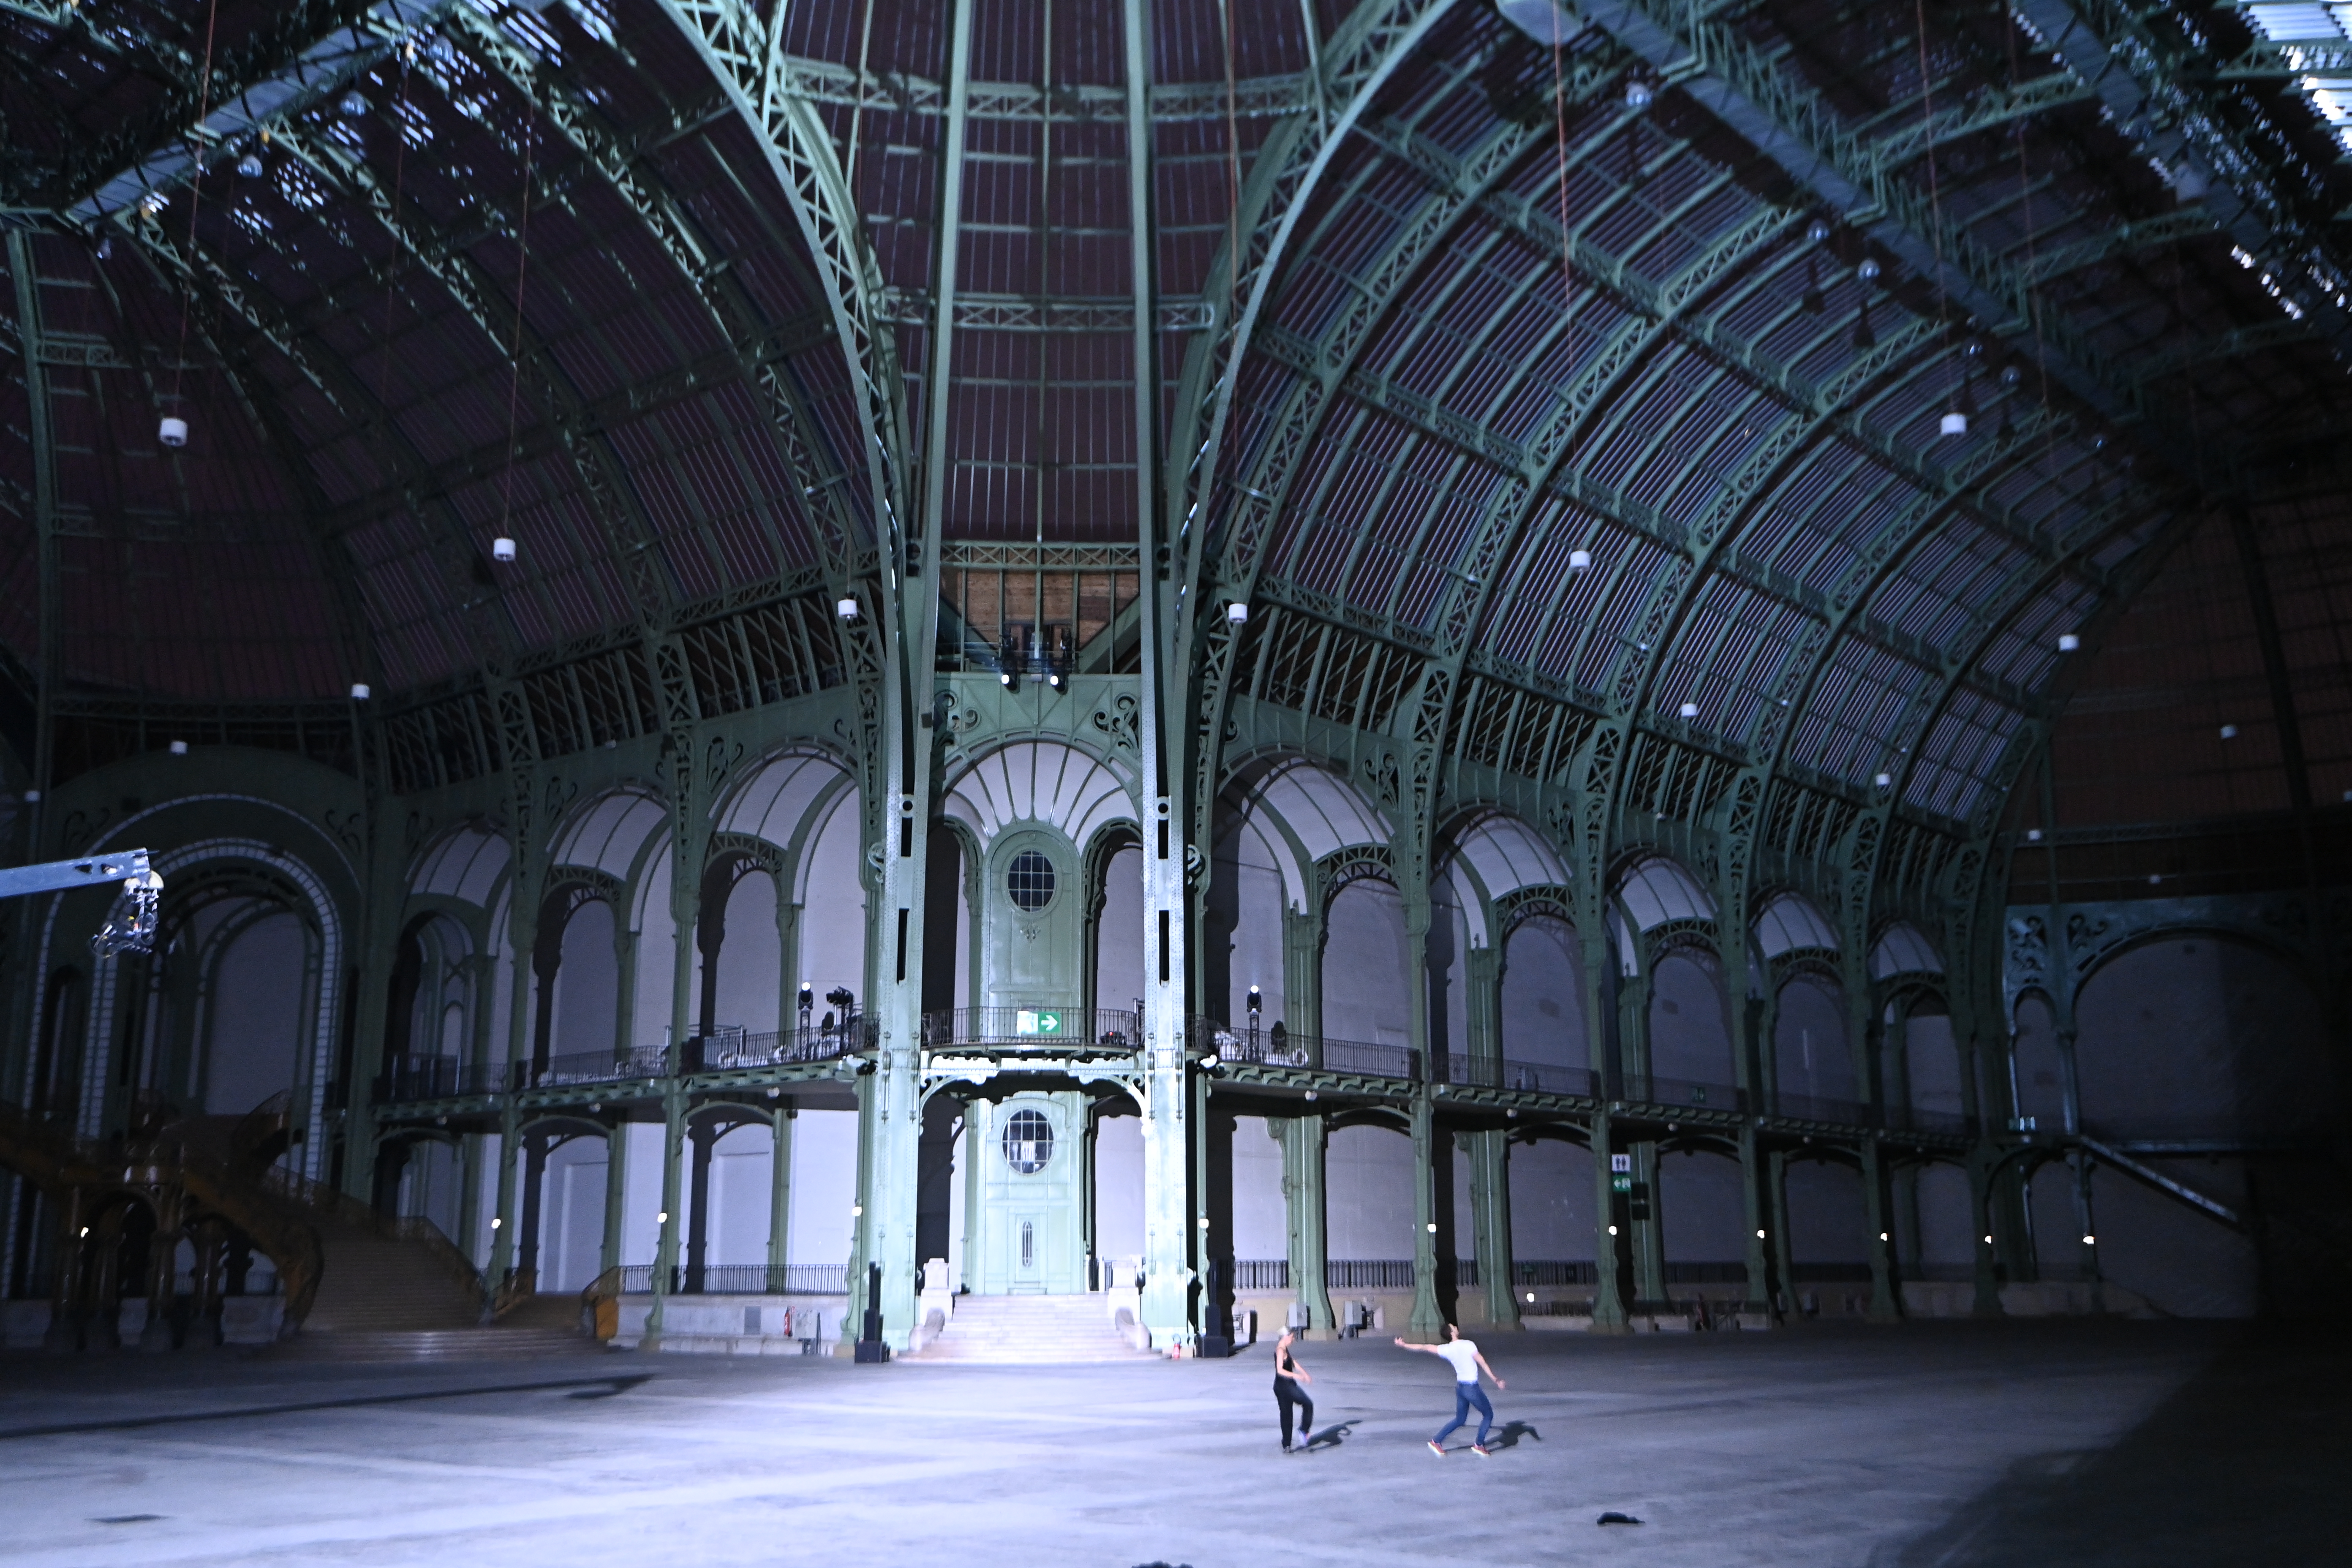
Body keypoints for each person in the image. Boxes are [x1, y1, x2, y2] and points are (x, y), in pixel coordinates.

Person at [1395, 1323, 1504, 1457]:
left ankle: (1437, 1441)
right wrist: (1496, 1379)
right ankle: (1479, 1445)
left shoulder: (1446, 1349)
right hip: (1471, 1388)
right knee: (1488, 1415)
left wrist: (1405, 1345)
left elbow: (1425, 1347)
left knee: (1460, 1419)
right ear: (1452, 1332)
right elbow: (1482, 1362)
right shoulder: (1468, 1345)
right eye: (1454, 1327)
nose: (1456, 1327)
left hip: (1461, 1388)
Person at [1272, 1326, 1315, 1451]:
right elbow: (1280, 1370)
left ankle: (1287, 1445)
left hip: (1282, 1386)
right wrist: (1297, 1376)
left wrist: (1305, 1373)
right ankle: (1303, 1430)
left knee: (1286, 1414)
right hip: (1285, 1386)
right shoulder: (1280, 1350)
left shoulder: (1284, 1349)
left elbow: (1293, 1362)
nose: (1293, 1340)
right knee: (1307, 1404)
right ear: (1286, 1337)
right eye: (1292, 1337)